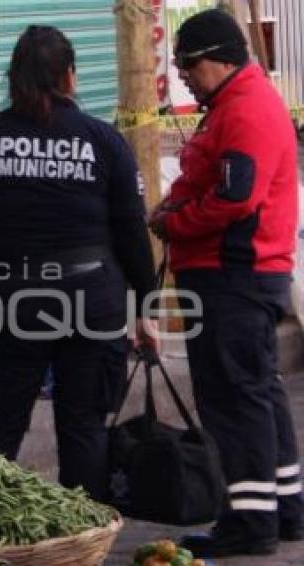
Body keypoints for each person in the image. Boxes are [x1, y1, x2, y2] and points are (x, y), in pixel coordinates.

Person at [0, 25, 157, 502]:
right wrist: (146, 308)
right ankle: (81, 539)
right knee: (83, 426)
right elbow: (132, 233)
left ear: (14, 80)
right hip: (92, 303)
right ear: (71, 76)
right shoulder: (104, 141)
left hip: (16, 305)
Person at [149, 8, 303, 558]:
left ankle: (250, 521)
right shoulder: (236, 105)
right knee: (257, 393)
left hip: (232, 276)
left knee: (234, 397)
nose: (184, 76)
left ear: (217, 58)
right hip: (237, 274)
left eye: (188, 65)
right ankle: (282, 509)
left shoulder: (245, 111)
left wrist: (174, 222)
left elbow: (237, 198)